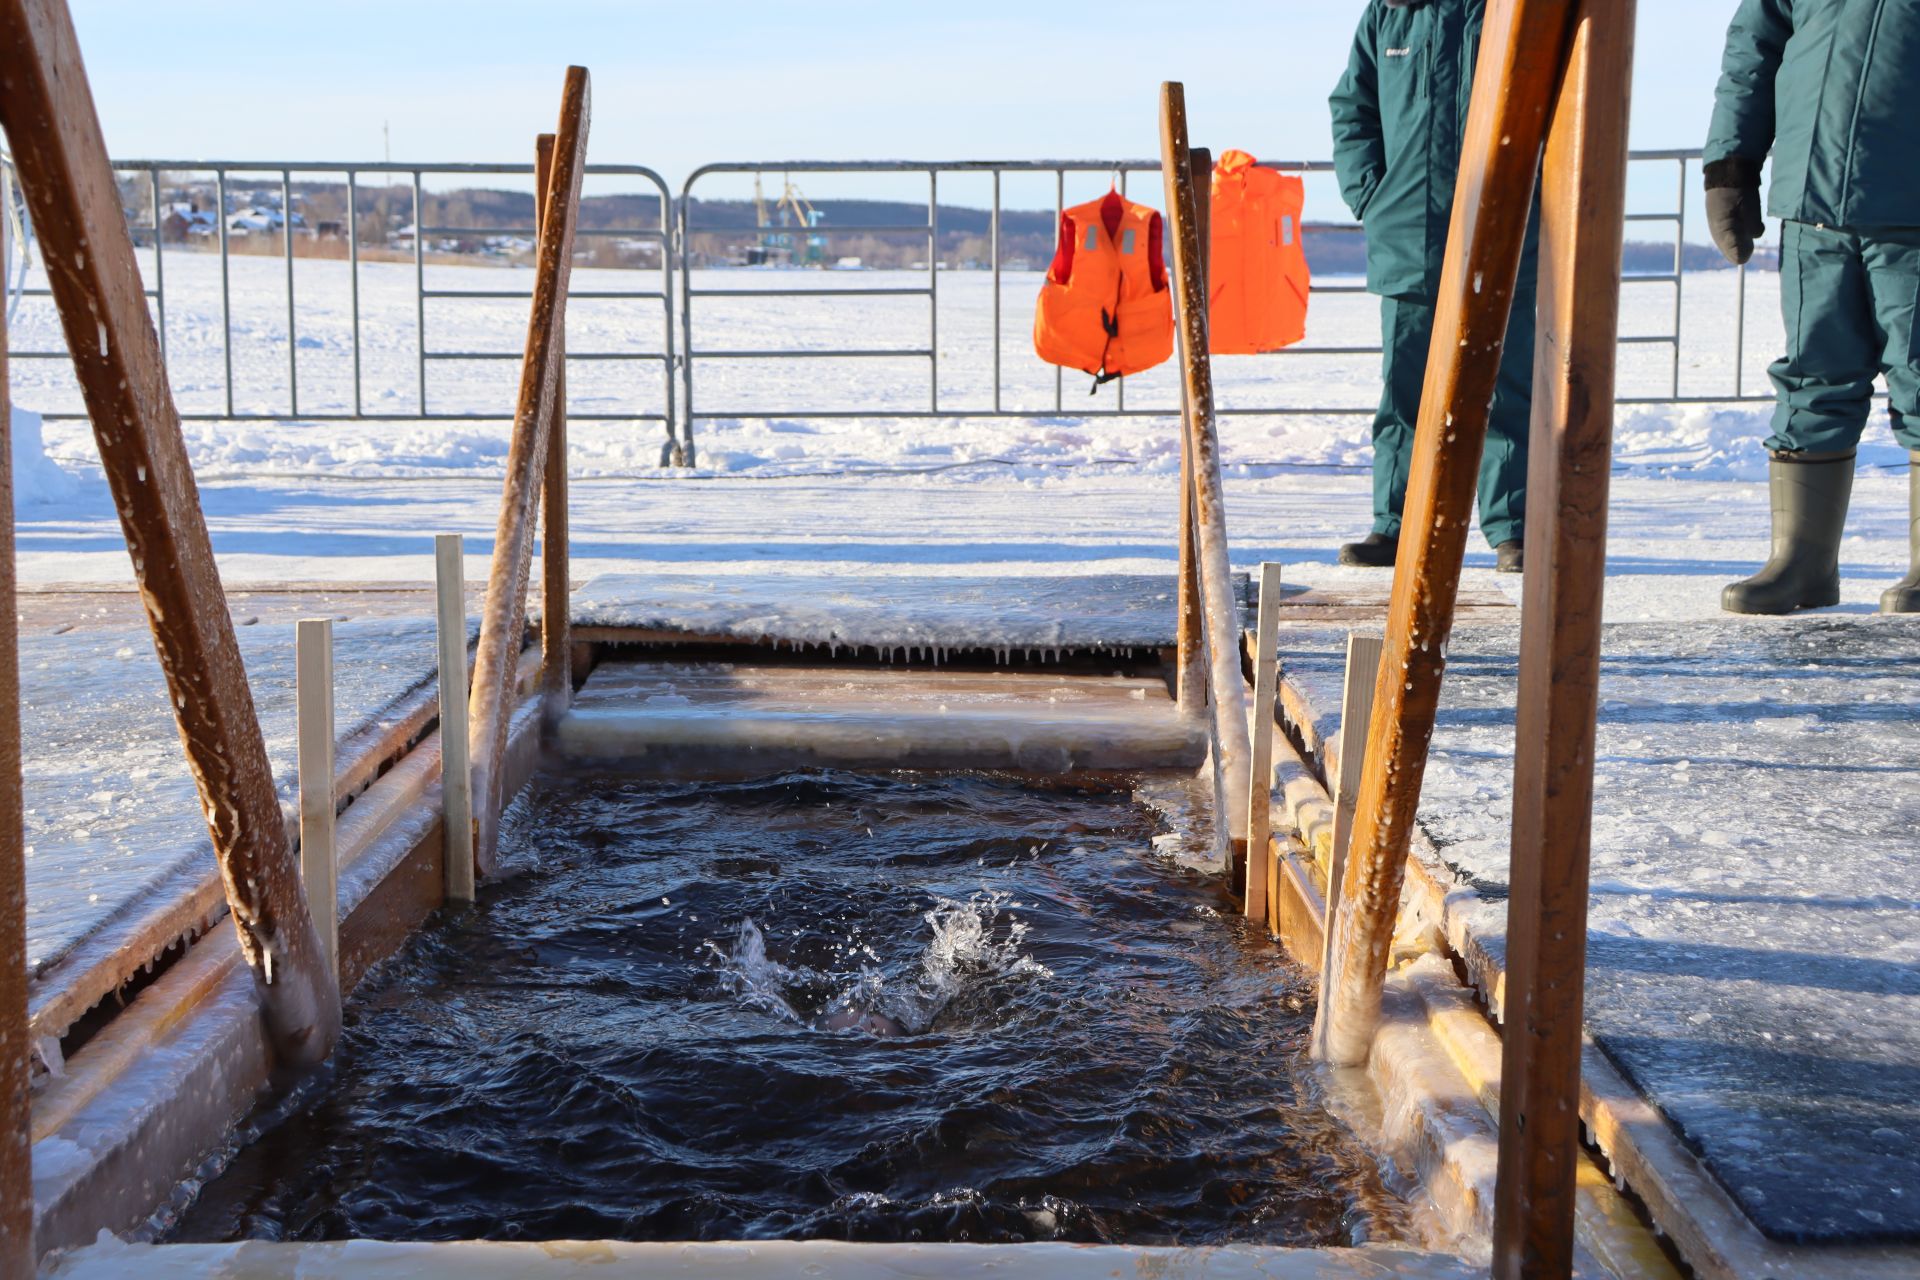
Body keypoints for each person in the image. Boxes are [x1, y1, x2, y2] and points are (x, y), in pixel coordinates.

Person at [1707, 0, 1920, 615]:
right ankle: (1800, 563)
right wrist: (1731, 165)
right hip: (1812, 199)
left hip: (1910, 203)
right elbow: (1754, 46)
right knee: (1810, 378)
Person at [1329, 0, 1535, 574]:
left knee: (1507, 386)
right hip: (1408, 232)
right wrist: (1371, 194)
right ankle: (1395, 525)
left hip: (1508, 223)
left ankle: (1513, 528)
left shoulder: (1515, 7)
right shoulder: (1389, 14)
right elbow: (1353, 107)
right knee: (1406, 391)